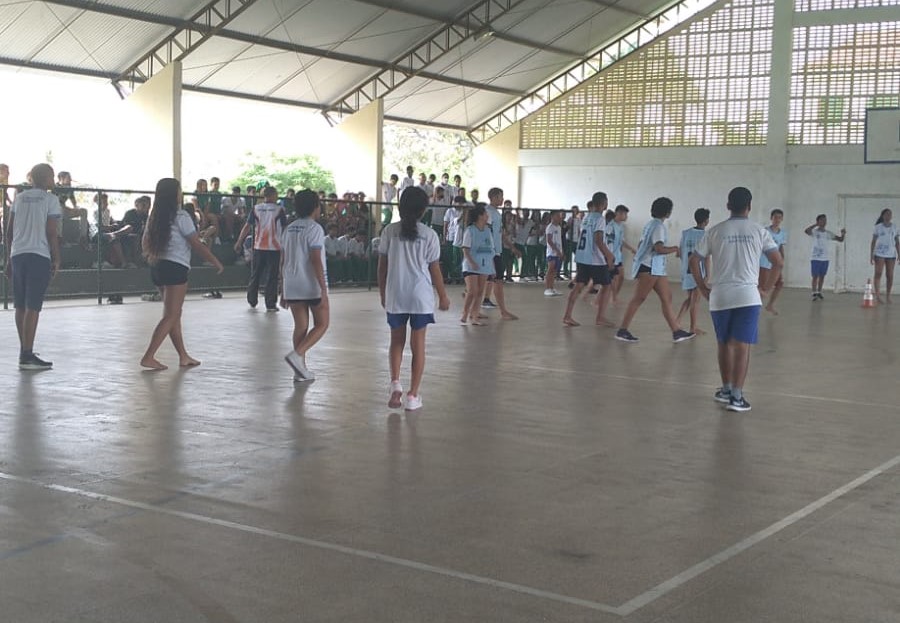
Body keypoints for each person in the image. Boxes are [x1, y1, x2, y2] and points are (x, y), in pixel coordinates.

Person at [690, 187, 782, 412]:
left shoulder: (715, 231)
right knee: (742, 346)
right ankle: (738, 398)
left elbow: (694, 260)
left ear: (728, 206)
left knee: (723, 343)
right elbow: (778, 262)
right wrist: (766, 288)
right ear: (749, 207)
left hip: (720, 296)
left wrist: (702, 286)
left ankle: (726, 389)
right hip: (747, 296)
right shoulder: (759, 231)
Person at [377, 186, 450, 411]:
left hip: (396, 294)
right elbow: (434, 269)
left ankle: (395, 382)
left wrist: (383, 293)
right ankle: (413, 395)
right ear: (423, 210)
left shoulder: (389, 231)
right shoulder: (429, 234)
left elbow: (382, 267)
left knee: (396, 341)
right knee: (418, 345)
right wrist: (443, 296)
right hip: (420, 296)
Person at [139, 178, 223, 370]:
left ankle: (183, 356)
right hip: (175, 267)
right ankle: (149, 356)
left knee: (173, 315)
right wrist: (215, 261)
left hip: (158, 267)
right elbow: (196, 244)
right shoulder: (181, 216)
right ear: (174, 194)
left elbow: (144, 243)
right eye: (179, 190)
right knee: (171, 315)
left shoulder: (154, 217)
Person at [4, 163, 61, 369]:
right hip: (38, 255)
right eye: (52, 176)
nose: (53, 180)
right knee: (33, 306)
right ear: (45, 178)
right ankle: (27, 354)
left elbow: (9, 232)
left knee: (20, 304)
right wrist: (56, 258)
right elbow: (51, 232)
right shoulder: (51, 200)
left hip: (18, 254)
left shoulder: (19, 198)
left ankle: (24, 349)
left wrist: (8, 259)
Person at [615, 197, 694, 344]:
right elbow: (658, 248)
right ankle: (622, 330)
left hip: (656, 267)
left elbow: (642, 244)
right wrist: (675, 249)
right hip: (649, 266)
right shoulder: (658, 227)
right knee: (639, 298)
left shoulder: (651, 224)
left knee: (667, 298)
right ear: (668, 212)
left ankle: (676, 331)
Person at [281, 190, 329, 382]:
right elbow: (316, 259)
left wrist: (282, 287)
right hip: (310, 284)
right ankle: (297, 354)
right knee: (322, 324)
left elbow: (283, 259)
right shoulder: (315, 229)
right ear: (315, 207)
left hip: (291, 282)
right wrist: (323, 287)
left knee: (300, 326)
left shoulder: (289, 229)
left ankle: (299, 371)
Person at [562, 191, 615, 327]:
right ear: (604, 203)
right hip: (595, 259)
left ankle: (567, 315)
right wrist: (608, 254)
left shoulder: (586, 218)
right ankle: (600, 317)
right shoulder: (600, 219)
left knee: (579, 285)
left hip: (582, 256)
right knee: (607, 285)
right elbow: (598, 240)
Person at [233, 186, 287, 311]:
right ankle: (270, 303)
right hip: (274, 247)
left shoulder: (256, 209)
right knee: (272, 276)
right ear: (273, 195)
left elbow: (247, 226)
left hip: (259, 246)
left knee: (255, 273)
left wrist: (239, 241)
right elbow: (285, 228)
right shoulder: (279, 210)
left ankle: (252, 299)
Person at [483, 188, 518, 319]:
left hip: (496, 251)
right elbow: (486, 232)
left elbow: (500, 234)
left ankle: (473, 309)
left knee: (489, 280)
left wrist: (512, 247)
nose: (502, 199)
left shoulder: (496, 213)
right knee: (497, 281)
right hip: (491, 252)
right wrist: (489, 252)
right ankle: (503, 311)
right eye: (500, 197)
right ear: (493, 197)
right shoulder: (488, 212)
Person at [676, 208, 710, 335]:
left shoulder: (685, 233)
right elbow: (706, 257)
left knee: (691, 298)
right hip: (697, 271)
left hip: (686, 270)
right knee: (695, 300)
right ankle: (693, 327)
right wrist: (707, 274)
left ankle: (677, 320)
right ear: (706, 221)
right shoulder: (705, 235)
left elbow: (679, 252)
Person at [459, 205, 494, 326]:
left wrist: (492, 265)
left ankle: (474, 315)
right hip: (471, 266)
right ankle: (465, 312)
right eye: (485, 213)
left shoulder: (488, 231)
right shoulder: (470, 230)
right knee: (472, 291)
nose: (487, 216)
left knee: (480, 292)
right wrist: (472, 262)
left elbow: (491, 249)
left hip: (484, 265)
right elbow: (465, 249)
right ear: (480, 216)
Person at [804, 214, 845, 301]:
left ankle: (819, 292)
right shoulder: (815, 232)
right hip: (815, 258)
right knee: (815, 276)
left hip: (825, 258)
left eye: (825, 220)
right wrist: (815, 225)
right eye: (822, 220)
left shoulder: (828, 233)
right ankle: (814, 292)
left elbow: (840, 239)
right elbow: (807, 231)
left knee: (822, 276)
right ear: (818, 221)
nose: (824, 222)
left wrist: (843, 234)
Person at [606, 204, 636, 304]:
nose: (626, 217)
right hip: (611, 257)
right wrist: (609, 257)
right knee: (612, 280)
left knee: (621, 277)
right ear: (619, 214)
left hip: (618, 256)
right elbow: (608, 243)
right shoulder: (610, 226)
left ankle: (614, 296)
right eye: (625, 215)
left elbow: (621, 241)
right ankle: (612, 298)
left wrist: (631, 249)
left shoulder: (621, 226)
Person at [760, 208, 787, 314]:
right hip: (764, 263)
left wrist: (782, 258)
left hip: (776, 263)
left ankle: (770, 305)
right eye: (775, 217)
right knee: (763, 287)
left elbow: (780, 247)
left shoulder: (783, 233)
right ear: (771, 218)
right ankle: (755, 308)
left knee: (779, 283)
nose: (777, 220)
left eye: (780, 218)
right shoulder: (765, 231)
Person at [871, 208, 899, 303]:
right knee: (878, 273)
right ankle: (878, 295)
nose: (888, 216)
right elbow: (873, 241)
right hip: (879, 253)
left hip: (891, 254)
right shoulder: (878, 227)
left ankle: (888, 295)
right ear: (883, 216)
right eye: (887, 214)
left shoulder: (894, 227)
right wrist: (871, 255)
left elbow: (897, 242)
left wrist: (899, 254)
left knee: (890, 275)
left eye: (890, 214)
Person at [543, 210, 564, 296]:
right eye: (557, 215)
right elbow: (549, 241)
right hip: (552, 252)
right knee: (550, 269)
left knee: (555, 271)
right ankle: (547, 288)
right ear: (552, 217)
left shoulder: (559, 227)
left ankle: (552, 287)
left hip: (558, 252)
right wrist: (556, 251)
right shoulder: (550, 227)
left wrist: (561, 251)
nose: (559, 217)